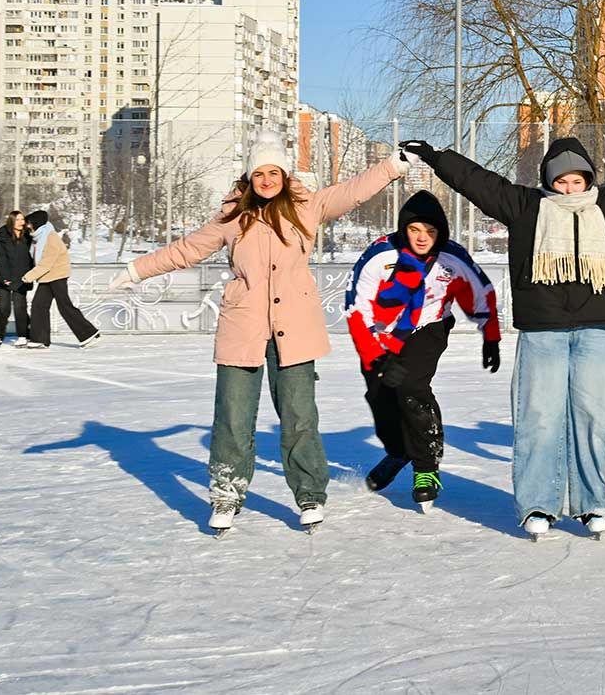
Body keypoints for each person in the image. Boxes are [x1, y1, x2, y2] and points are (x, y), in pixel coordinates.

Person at [399, 134, 605, 541]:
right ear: (548, 180)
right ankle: (538, 504)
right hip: (542, 331)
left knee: (594, 419)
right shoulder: (525, 207)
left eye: (577, 181)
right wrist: (436, 155)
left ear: (588, 179)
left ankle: (595, 504)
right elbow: (476, 181)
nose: (569, 188)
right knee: (538, 418)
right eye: (561, 181)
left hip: (599, 329)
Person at [112, 130, 407, 534]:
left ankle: (309, 495)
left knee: (299, 417)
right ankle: (227, 494)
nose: (266, 180)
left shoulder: (307, 207)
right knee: (233, 417)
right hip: (242, 327)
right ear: (249, 177)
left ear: (285, 174)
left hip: (296, 328)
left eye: (274, 172)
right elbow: (186, 249)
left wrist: (391, 167)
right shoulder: (232, 216)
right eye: (259, 173)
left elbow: (353, 191)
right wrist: (135, 270)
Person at [346, 190, 503, 512]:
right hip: (381, 334)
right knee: (380, 397)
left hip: (428, 327)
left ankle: (426, 468)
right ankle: (399, 450)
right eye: (415, 230)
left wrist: (490, 336)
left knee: (411, 388)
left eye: (430, 232)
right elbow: (356, 309)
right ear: (404, 230)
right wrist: (376, 356)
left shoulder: (452, 257)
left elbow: (480, 292)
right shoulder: (380, 255)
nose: (422, 238)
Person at [23, 210, 100, 349]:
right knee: (38, 306)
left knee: (64, 306)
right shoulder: (39, 237)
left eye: (29, 223)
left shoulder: (50, 238)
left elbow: (46, 263)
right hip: (47, 278)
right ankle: (40, 339)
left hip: (57, 276)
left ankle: (89, 334)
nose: (28, 226)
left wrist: (27, 277)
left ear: (36, 223)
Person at [0, 211, 34, 347]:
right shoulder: (2, 237)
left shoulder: (28, 236)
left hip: (22, 278)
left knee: (20, 307)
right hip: (5, 278)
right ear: (11, 221)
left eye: (23, 219)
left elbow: (32, 256)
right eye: (18, 220)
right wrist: (5, 278)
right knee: (2, 308)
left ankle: (23, 335)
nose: (21, 222)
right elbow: (0, 258)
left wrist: (31, 274)